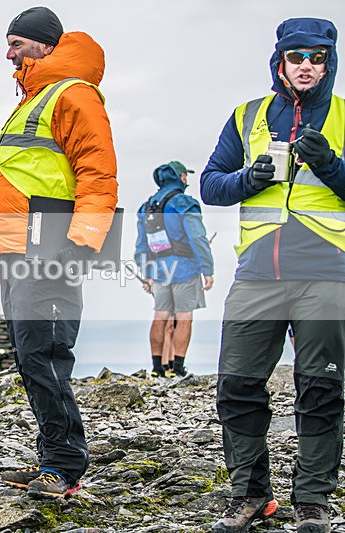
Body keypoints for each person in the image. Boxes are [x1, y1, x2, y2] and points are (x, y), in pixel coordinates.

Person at [201, 18, 345, 533]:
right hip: (258, 273)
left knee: (321, 388)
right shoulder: (247, 116)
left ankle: (313, 501)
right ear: (280, 62)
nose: (306, 66)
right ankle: (250, 495)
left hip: (327, 273)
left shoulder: (344, 115)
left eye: (318, 57)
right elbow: (211, 186)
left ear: (329, 63)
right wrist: (249, 178)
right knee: (237, 385)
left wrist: (330, 165)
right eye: (296, 56)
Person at [0, 7, 118, 499]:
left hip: (53, 250)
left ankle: (64, 465)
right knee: (31, 357)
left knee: (46, 356)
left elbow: (99, 174)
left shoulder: (72, 93)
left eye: (16, 43)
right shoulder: (32, 99)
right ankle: (51, 456)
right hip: (19, 250)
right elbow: (14, 185)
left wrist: (81, 244)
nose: (8, 53)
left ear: (44, 45)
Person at [135, 161, 214, 379]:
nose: (187, 180)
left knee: (160, 315)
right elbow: (197, 238)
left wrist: (147, 274)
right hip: (185, 268)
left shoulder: (147, 206)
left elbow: (141, 246)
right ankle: (178, 368)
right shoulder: (184, 203)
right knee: (184, 316)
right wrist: (207, 268)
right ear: (180, 177)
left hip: (158, 271)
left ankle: (157, 368)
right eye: (185, 176)